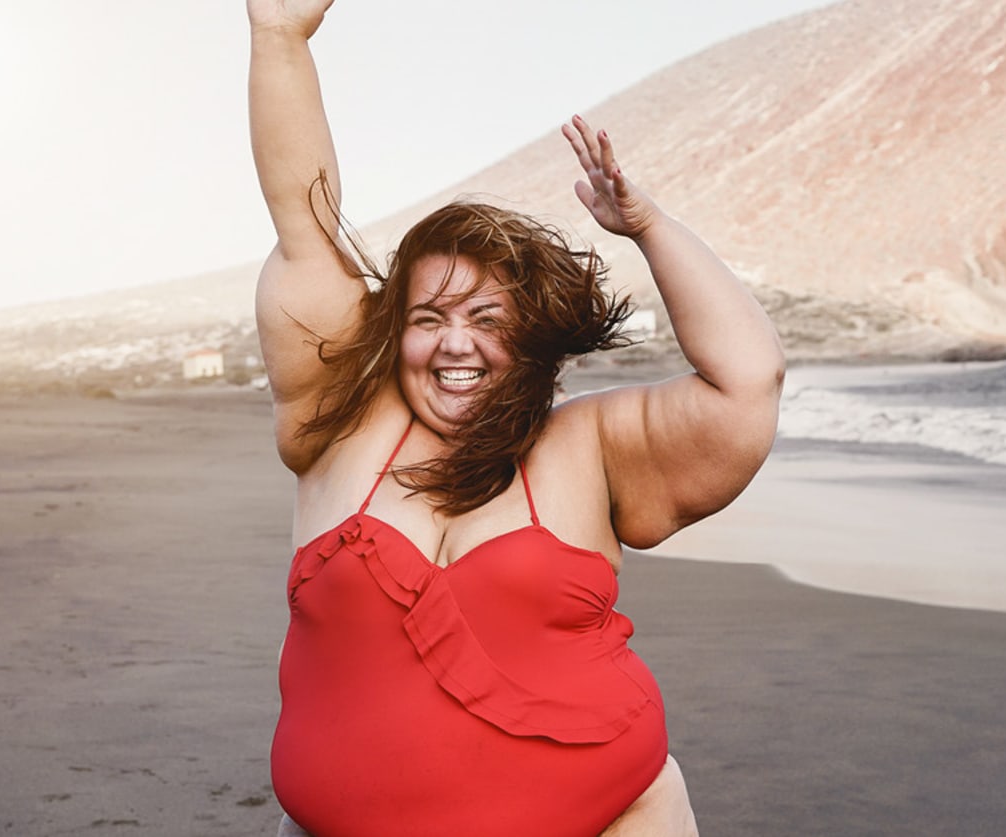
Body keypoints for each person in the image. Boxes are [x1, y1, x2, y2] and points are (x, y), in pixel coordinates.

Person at [248, 2, 784, 835]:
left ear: (529, 339)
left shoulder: (592, 445)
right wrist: (278, 38)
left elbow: (748, 380)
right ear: (395, 331)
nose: (455, 345)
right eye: (429, 318)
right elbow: (304, 226)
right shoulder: (340, 427)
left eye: (488, 321)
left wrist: (646, 225)